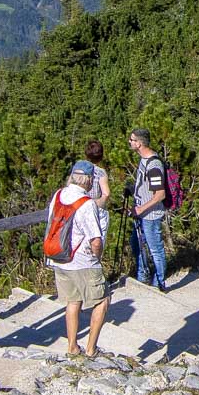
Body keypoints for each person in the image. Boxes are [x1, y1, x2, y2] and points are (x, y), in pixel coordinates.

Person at [46, 161, 110, 357]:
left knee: (73, 301)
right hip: (82, 260)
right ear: (89, 180)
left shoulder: (58, 195)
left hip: (58, 257)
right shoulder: (86, 203)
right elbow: (96, 240)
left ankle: (72, 347)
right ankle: (91, 349)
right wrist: (97, 259)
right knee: (102, 300)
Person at [127, 128, 167, 290]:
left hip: (151, 215)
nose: (130, 142)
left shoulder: (154, 164)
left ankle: (159, 284)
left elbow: (160, 194)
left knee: (155, 249)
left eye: (132, 140)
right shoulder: (144, 160)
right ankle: (143, 276)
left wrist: (141, 208)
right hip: (142, 212)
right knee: (136, 244)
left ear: (140, 143)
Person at [85, 138, 111, 242]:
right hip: (96, 210)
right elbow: (106, 193)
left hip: (80, 207)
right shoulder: (101, 172)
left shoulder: (78, 170)